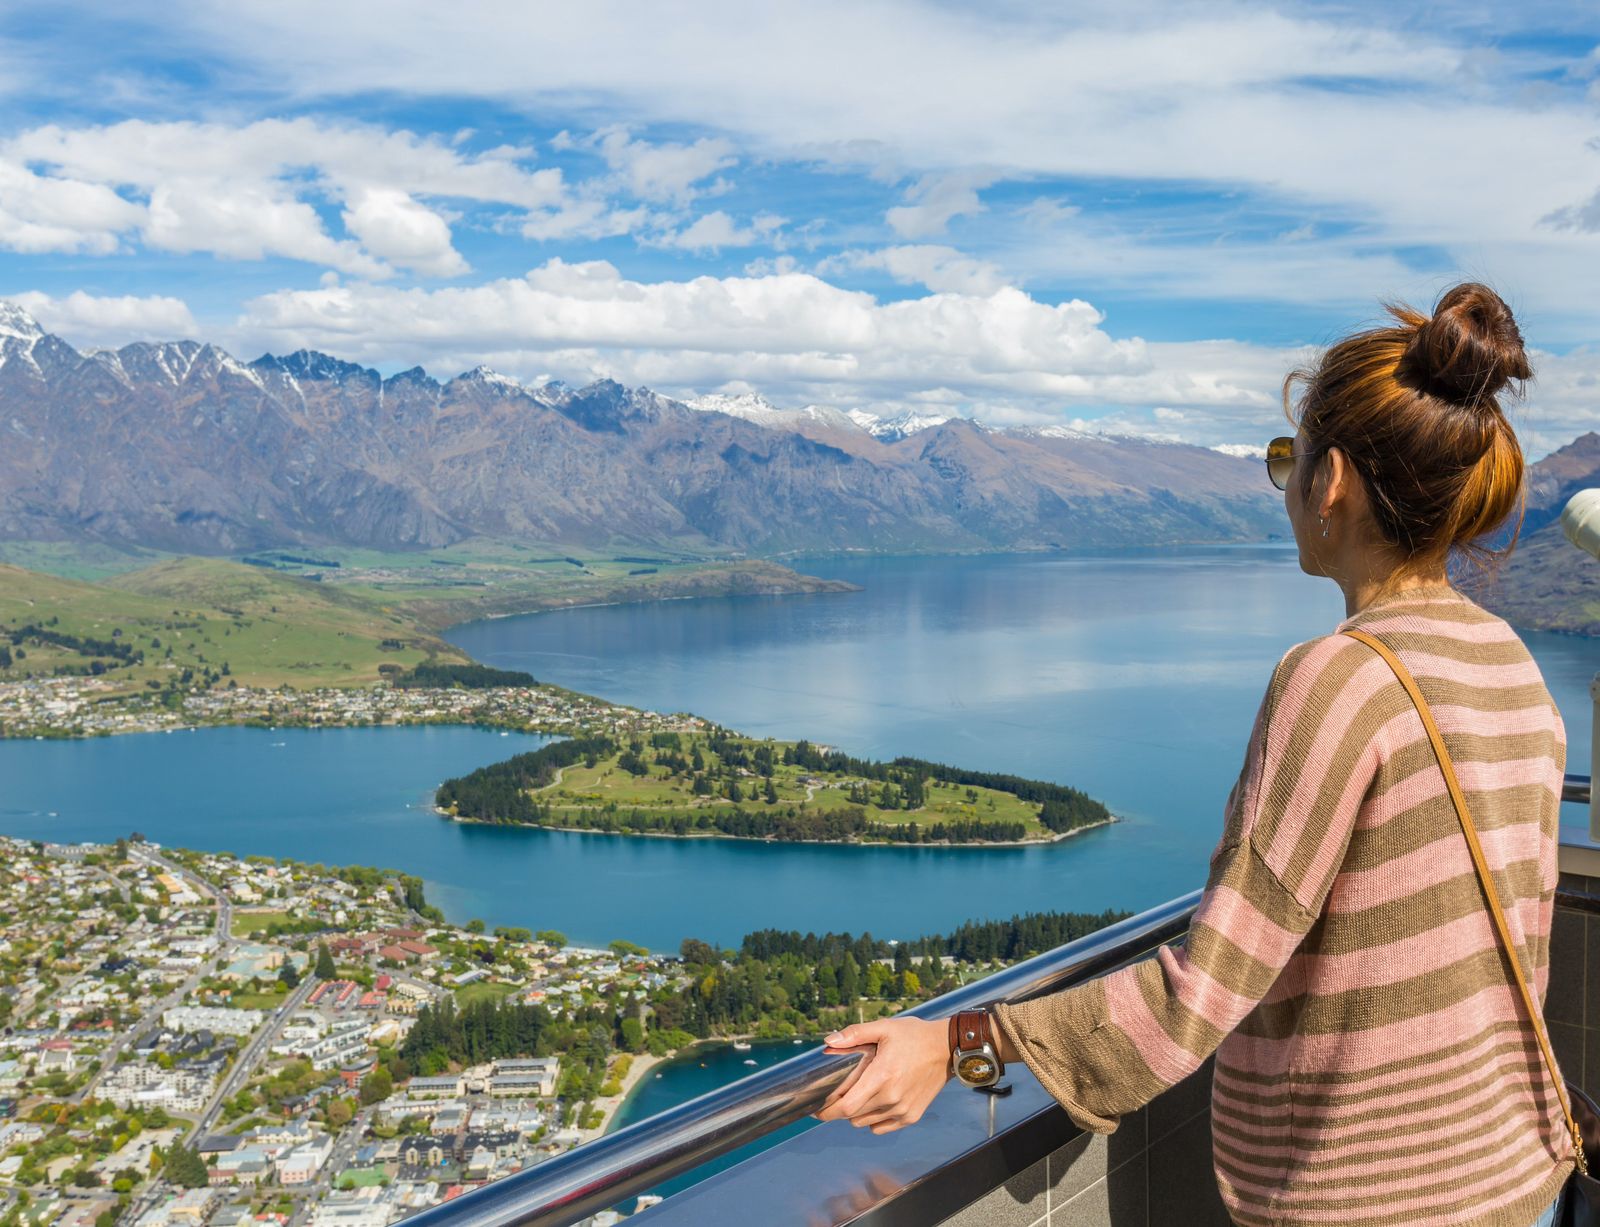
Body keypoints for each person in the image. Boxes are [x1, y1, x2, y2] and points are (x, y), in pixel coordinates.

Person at [815, 283, 1575, 1227]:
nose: (1285, 483)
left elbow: (1199, 992)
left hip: (1376, 1205)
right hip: (1515, 1177)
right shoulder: (1511, 664)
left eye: (1287, 458)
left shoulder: (1339, 678)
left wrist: (959, 1043)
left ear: (1331, 480)